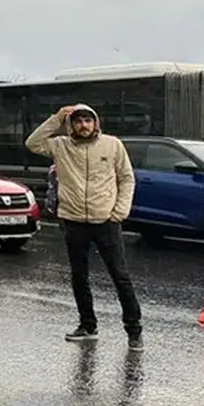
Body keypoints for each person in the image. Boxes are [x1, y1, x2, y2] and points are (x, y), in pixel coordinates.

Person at [26, 104, 143, 351]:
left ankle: (134, 331)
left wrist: (119, 212)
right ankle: (87, 326)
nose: (83, 125)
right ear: (71, 125)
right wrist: (56, 118)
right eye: (78, 121)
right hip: (74, 221)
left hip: (106, 222)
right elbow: (32, 143)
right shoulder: (60, 145)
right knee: (79, 276)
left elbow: (126, 178)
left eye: (88, 120)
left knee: (120, 276)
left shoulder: (112, 145)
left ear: (96, 123)